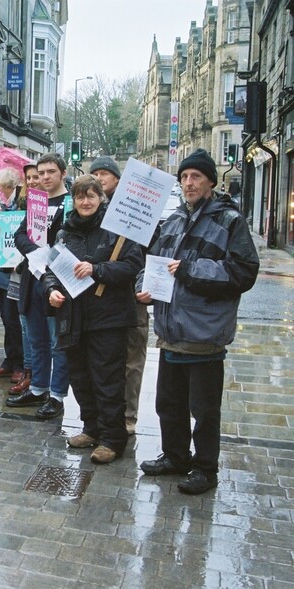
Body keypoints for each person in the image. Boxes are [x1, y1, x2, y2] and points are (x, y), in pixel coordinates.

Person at [136, 149, 259, 494]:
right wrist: (142, 287)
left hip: (204, 333)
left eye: (195, 177)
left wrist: (190, 270)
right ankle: (175, 456)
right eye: (184, 177)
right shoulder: (173, 220)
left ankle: (206, 468)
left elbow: (244, 272)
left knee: (204, 411)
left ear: (210, 183)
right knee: (167, 403)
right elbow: (152, 264)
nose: (188, 183)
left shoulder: (230, 220)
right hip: (171, 331)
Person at [42, 175, 143, 464]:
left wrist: (97, 270)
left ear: (101, 198)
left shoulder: (117, 230)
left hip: (108, 318)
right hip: (73, 317)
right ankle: (92, 427)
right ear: (73, 201)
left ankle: (112, 438)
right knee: (81, 377)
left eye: (91, 196)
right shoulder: (64, 232)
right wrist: (51, 290)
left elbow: (132, 265)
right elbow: (52, 269)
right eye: (80, 196)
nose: (85, 201)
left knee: (107, 379)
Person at [8, 153, 71, 419]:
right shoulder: (37, 201)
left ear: (62, 174)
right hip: (32, 278)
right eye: (41, 172)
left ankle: (57, 395)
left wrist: (48, 258)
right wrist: (37, 253)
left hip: (58, 282)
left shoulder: (71, 203)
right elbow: (20, 235)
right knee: (36, 339)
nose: (45, 177)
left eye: (50, 172)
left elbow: (73, 241)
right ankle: (38, 388)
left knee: (58, 341)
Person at [90, 156, 148, 436]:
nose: (100, 178)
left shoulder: (133, 209)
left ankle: (128, 416)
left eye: (105, 174)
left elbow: (144, 255)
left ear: (117, 179)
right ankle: (104, 415)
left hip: (132, 295)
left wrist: (141, 287)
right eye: (95, 173)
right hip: (102, 300)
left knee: (131, 359)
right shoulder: (89, 210)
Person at [0, 169, 29, 389]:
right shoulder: (2, 208)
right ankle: (10, 359)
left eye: (2, 188)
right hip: (2, 270)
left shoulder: (22, 205)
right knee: (6, 317)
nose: (0, 192)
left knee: (15, 319)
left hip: (16, 270)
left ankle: (20, 363)